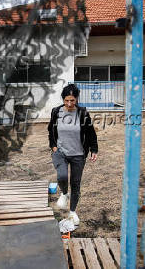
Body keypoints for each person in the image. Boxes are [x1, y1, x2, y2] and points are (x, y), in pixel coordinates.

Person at [47, 84, 98, 226]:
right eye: (67, 100)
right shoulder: (56, 112)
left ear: (76, 99)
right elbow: (51, 130)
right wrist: (54, 146)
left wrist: (94, 149)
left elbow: (90, 133)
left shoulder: (83, 113)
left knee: (75, 184)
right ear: (63, 99)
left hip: (78, 155)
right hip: (61, 152)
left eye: (72, 101)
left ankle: (72, 212)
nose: (69, 104)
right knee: (62, 176)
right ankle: (64, 193)